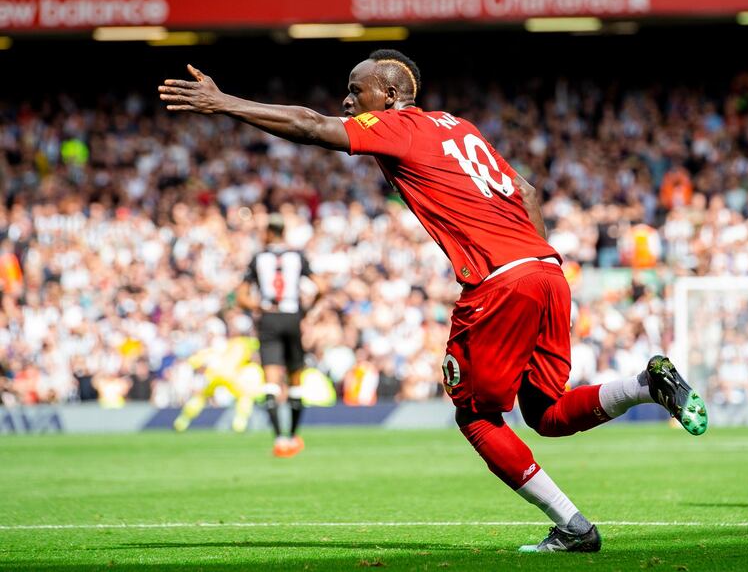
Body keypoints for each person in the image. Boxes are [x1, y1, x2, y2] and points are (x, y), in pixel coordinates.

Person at [158, 50, 708, 552]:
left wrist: (223, 101)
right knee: (544, 412)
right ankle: (646, 385)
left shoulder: (400, 126)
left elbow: (310, 125)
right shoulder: (460, 128)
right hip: (546, 270)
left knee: (476, 414)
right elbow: (528, 193)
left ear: (393, 96)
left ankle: (574, 528)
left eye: (358, 90)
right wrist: (537, 263)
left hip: (501, 281)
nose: (348, 101)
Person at [236, 213, 316, 457]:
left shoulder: (258, 258)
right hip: (292, 315)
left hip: (269, 317)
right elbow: (319, 287)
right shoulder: (297, 256)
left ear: (269, 232)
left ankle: (279, 439)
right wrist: (306, 310)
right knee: (295, 381)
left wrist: (257, 307)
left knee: (271, 381)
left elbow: (241, 296)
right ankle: (292, 437)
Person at [173, 335, 265, 434]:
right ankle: (240, 423)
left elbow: (197, 359)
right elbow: (255, 355)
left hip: (214, 373)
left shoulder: (221, 342)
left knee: (201, 396)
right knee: (244, 396)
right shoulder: (246, 343)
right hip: (232, 375)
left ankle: (183, 420)